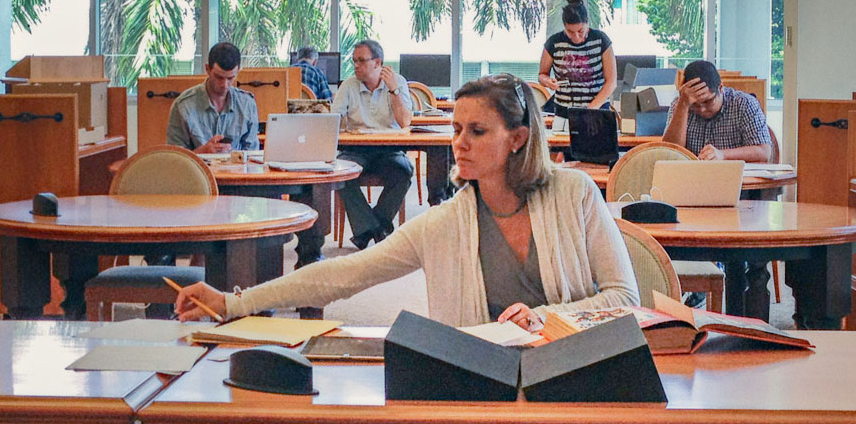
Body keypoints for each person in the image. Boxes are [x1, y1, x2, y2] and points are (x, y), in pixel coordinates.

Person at [174, 73, 641, 329]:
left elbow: (624, 298)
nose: (459, 143)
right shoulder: (448, 222)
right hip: (483, 388)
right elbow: (342, 274)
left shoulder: (575, 193)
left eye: (477, 132)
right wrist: (235, 303)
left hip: (576, 376)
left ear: (518, 138)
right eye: (457, 129)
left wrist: (544, 316)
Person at [332, 39, 415, 250]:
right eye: (354, 61)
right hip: (356, 149)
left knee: (403, 171)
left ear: (377, 63)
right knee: (340, 174)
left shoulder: (398, 82)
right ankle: (375, 228)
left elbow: (405, 122)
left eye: (361, 60)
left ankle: (369, 228)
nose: (355, 65)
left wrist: (394, 90)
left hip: (389, 149)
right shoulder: (349, 85)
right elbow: (332, 119)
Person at [661, 60, 770, 162]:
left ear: (720, 88)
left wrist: (723, 154)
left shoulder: (745, 104)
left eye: (708, 101)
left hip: (734, 176)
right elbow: (669, 153)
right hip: (691, 177)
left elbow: (764, 152)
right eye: (695, 105)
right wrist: (683, 105)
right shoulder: (680, 104)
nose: (702, 109)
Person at [166, 42, 260, 153]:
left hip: (237, 169)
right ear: (207, 69)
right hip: (197, 169)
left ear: (238, 71)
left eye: (230, 78)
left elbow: (253, 154)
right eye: (219, 77)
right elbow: (175, 158)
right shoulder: (183, 106)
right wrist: (202, 152)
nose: (224, 85)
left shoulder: (247, 104)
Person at [538, 0, 618, 118]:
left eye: (580, 31)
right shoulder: (554, 42)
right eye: (570, 32)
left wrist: (591, 109)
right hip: (564, 112)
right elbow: (542, 75)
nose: (576, 37)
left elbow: (611, 82)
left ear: (587, 23)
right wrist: (548, 82)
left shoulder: (601, 40)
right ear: (564, 26)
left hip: (597, 110)